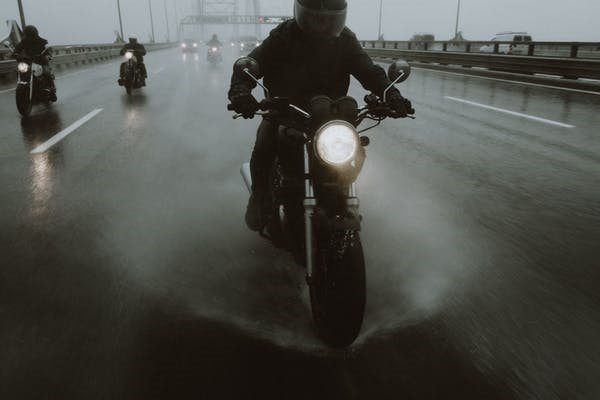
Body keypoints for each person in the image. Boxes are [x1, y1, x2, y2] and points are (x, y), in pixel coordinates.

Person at [228, 0, 414, 231]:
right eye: (316, 17)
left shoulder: (345, 40)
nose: (322, 23)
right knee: (264, 146)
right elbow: (253, 62)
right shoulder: (282, 36)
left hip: (329, 117)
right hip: (285, 112)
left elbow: (369, 71)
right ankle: (260, 199)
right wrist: (240, 91)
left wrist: (391, 93)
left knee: (353, 149)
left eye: (329, 18)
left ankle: (341, 193)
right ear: (302, 13)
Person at [14, 25, 56, 101]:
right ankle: (24, 88)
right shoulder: (24, 42)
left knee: (46, 72)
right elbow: (17, 49)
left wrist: (48, 55)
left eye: (31, 34)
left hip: (41, 62)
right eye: (27, 34)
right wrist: (15, 53)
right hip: (28, 62)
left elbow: (47, 50)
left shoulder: (42, 41)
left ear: (35, 34)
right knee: (20, 71)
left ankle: (51, 90)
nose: (29, 36)